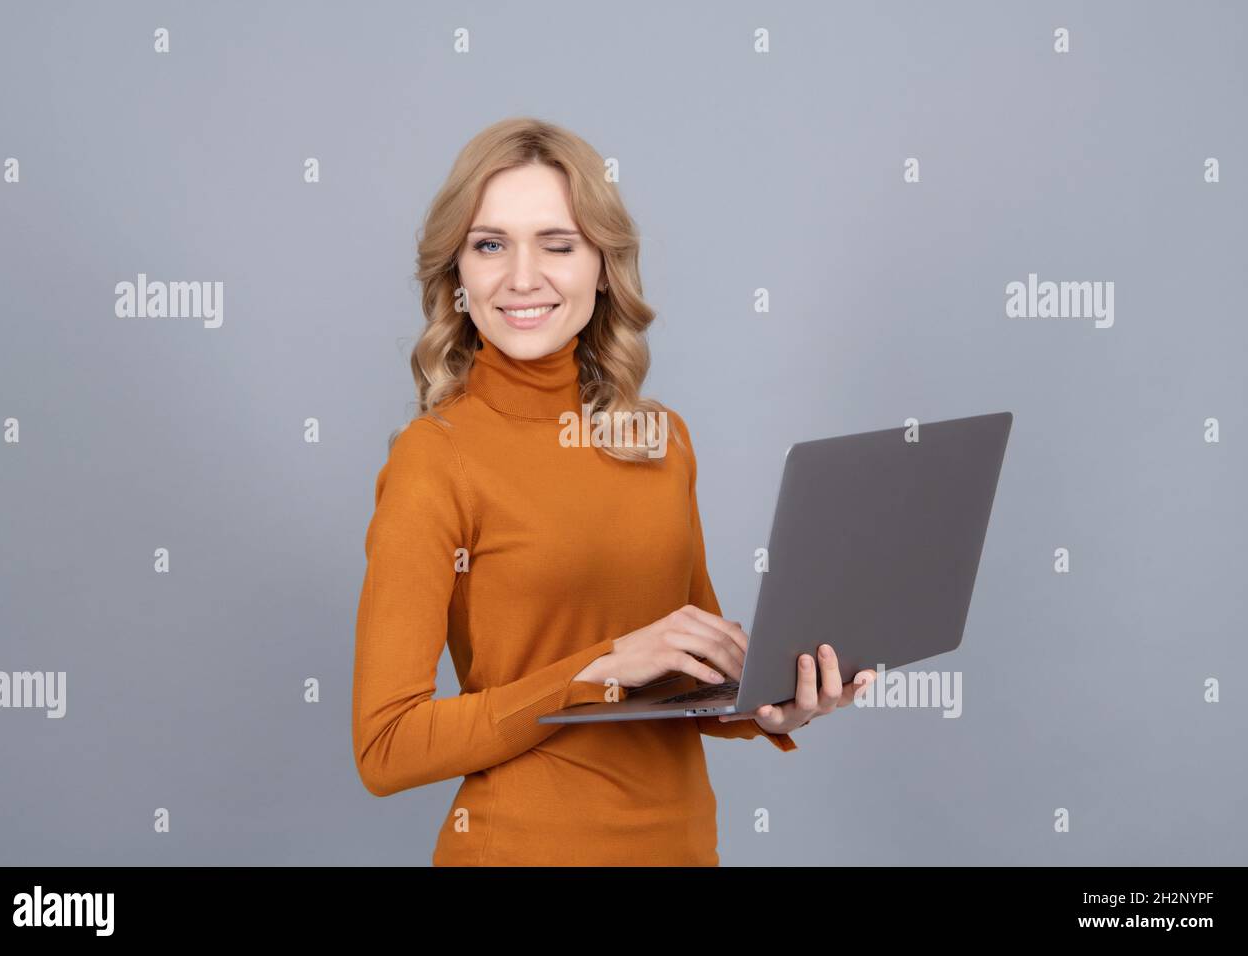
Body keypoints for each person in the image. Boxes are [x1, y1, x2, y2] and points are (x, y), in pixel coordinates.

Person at [351, 117, 877, 865]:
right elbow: (386, 746)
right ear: (457, 273)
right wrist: (595, 670)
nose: (522, 277)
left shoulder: (662, 440)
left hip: (684, 847)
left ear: (602, 266)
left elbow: (685, 679)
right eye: (490, 243)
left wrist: (775, 702)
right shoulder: (434, 461)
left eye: (558, 245)